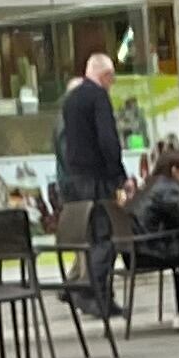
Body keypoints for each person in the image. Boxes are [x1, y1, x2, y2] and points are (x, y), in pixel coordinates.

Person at [54, 52, 125, 315]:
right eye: (111, 78)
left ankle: (102, 299)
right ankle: (87, 289)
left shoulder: (71, 100)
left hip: (74, 180)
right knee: (105, 237)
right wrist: (118, 175)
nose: (111, 84)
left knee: (91, 238)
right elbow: (108, 140)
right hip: (96, 179)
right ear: (105, 75)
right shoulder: (98, 97)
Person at [127, 139, 179, 323]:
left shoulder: (150, 185)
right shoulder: (167, 188)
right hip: (152, 249)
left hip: (134, 250)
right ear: (174, 170)